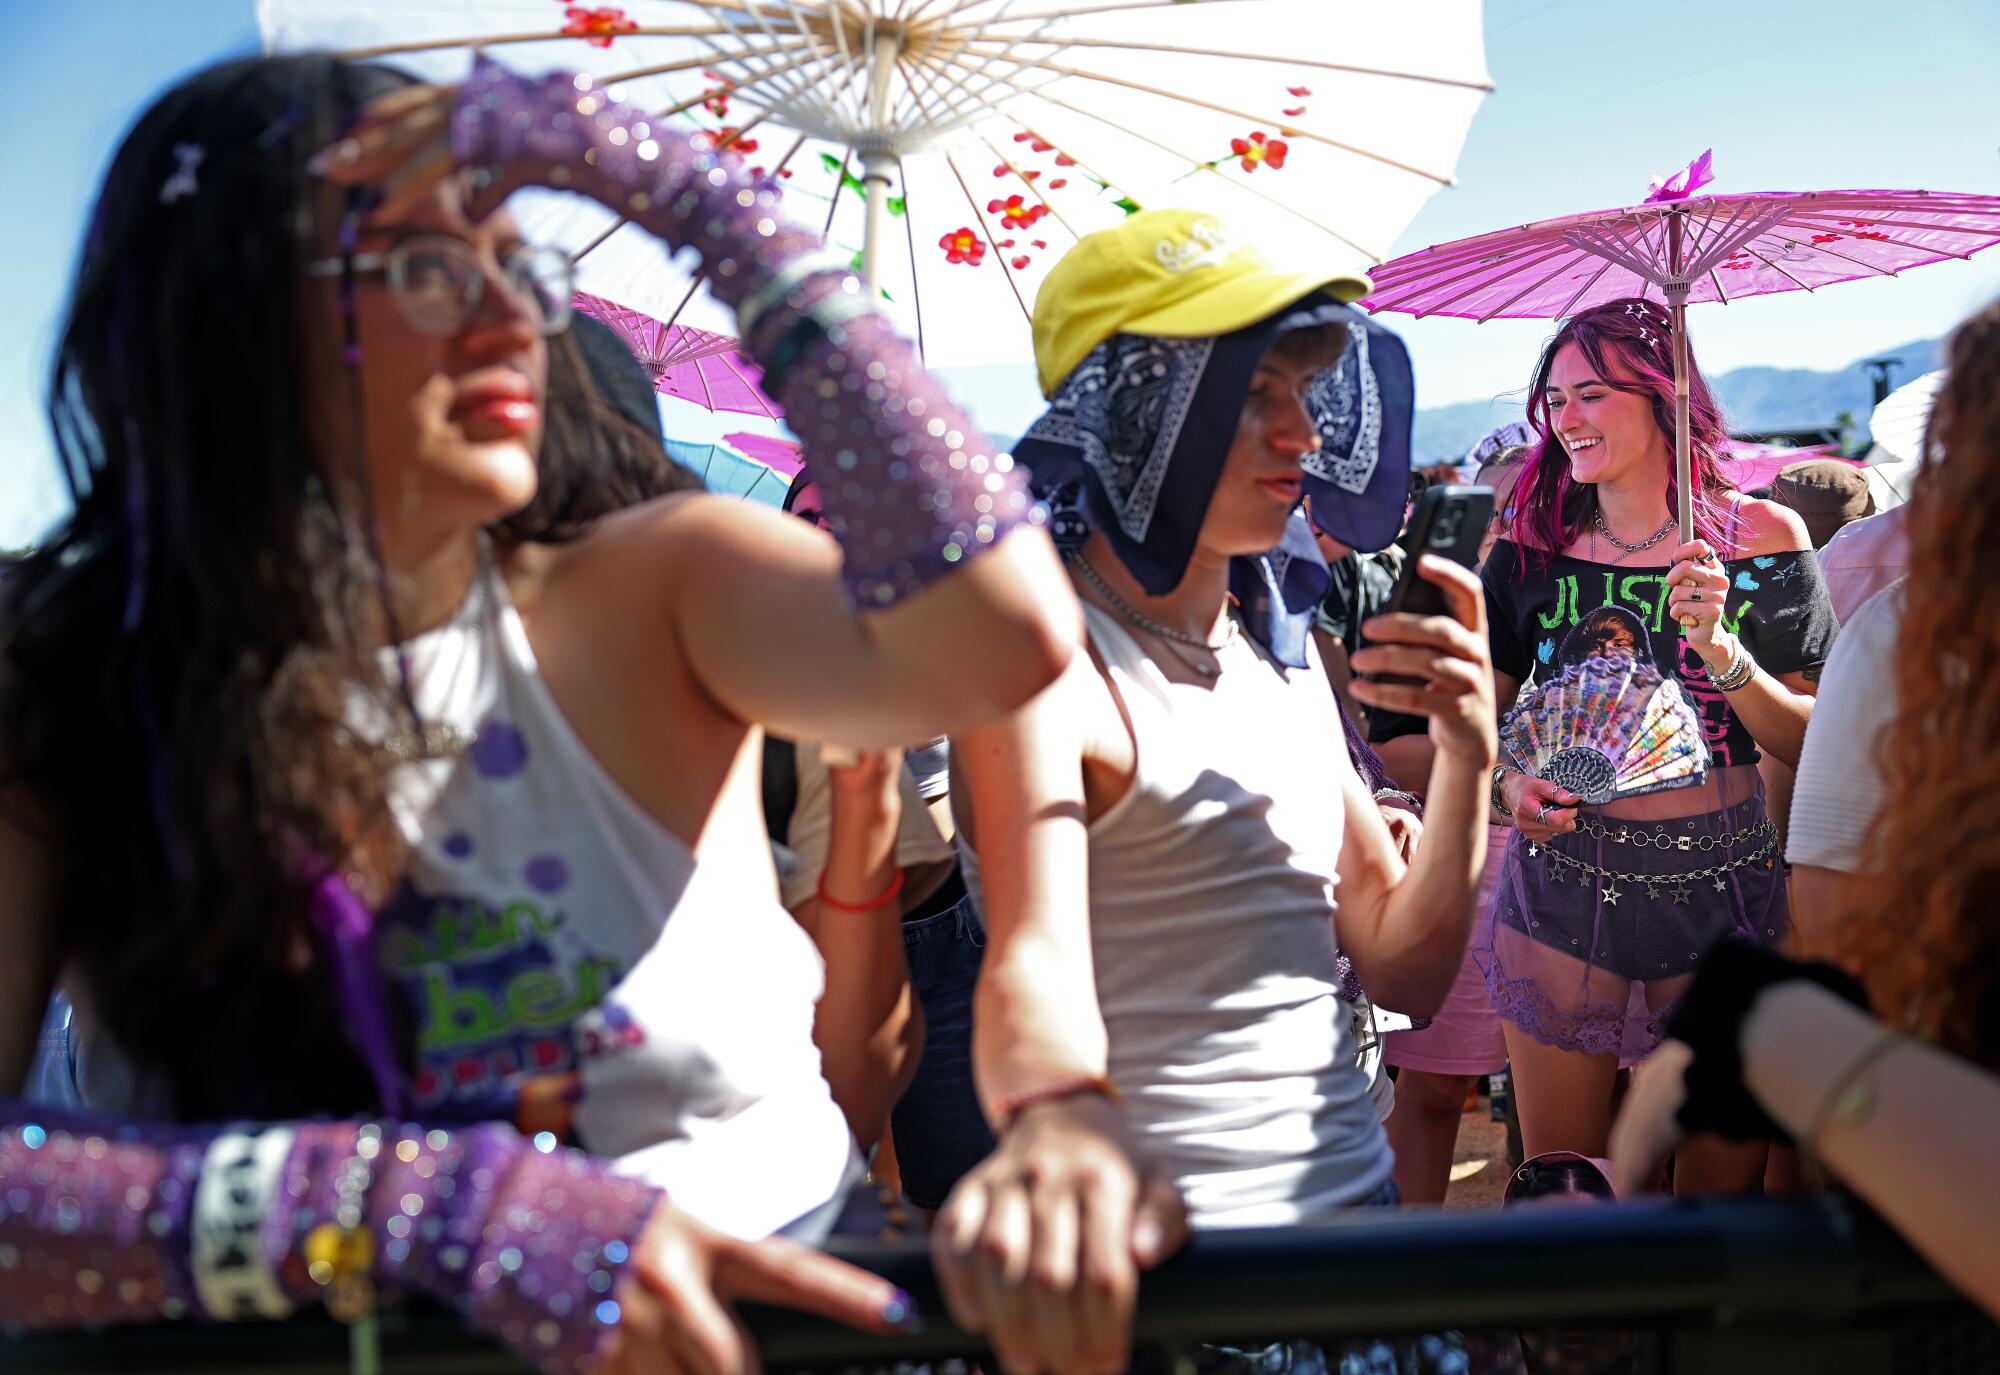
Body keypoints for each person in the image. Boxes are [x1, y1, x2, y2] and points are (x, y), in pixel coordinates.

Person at [0, 52, 1078, 1374]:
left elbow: (1001, 632)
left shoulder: (658, 581)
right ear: (228, 312)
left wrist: (690, 198)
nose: (511, 316)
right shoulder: (64, 684)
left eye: (521, 264)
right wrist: (421, 1211)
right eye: (426, 265)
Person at [931, 211, 1498, 1375]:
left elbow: (1401, 963)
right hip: (1176, 1304)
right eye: (1252, 394)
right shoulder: (1040, 657)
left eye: (1308, 389)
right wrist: (1056, 1115)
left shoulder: (1274, 650)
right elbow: (1026, 955)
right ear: (1136, 406)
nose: (1301, 432)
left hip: (1357, 1263)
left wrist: (1466, 760)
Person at [1480, 297, 1836, 1194]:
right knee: (1562, 1190)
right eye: (1555, 398)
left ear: (1664, 396)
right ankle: (1582, 1344)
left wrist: (1726, 653)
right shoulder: (1528, 549)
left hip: (1728, 889)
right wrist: (1510, 789)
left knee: (1715, 1207)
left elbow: (1808, 741)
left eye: (1591, 393)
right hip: (1565, 887)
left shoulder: (1757, 539)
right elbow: (1477, 735)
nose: (1566, 419)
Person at [1373, 442, 1525, 1205]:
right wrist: (1497, 780)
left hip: (1575, 874)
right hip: (1463, 869)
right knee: (1432, 1088)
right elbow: (1386, 756)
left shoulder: (1576, 602)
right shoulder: (1426, 617)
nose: (1507, 531)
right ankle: (1413, 1297)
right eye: (1491, 516)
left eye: (1524, 512)